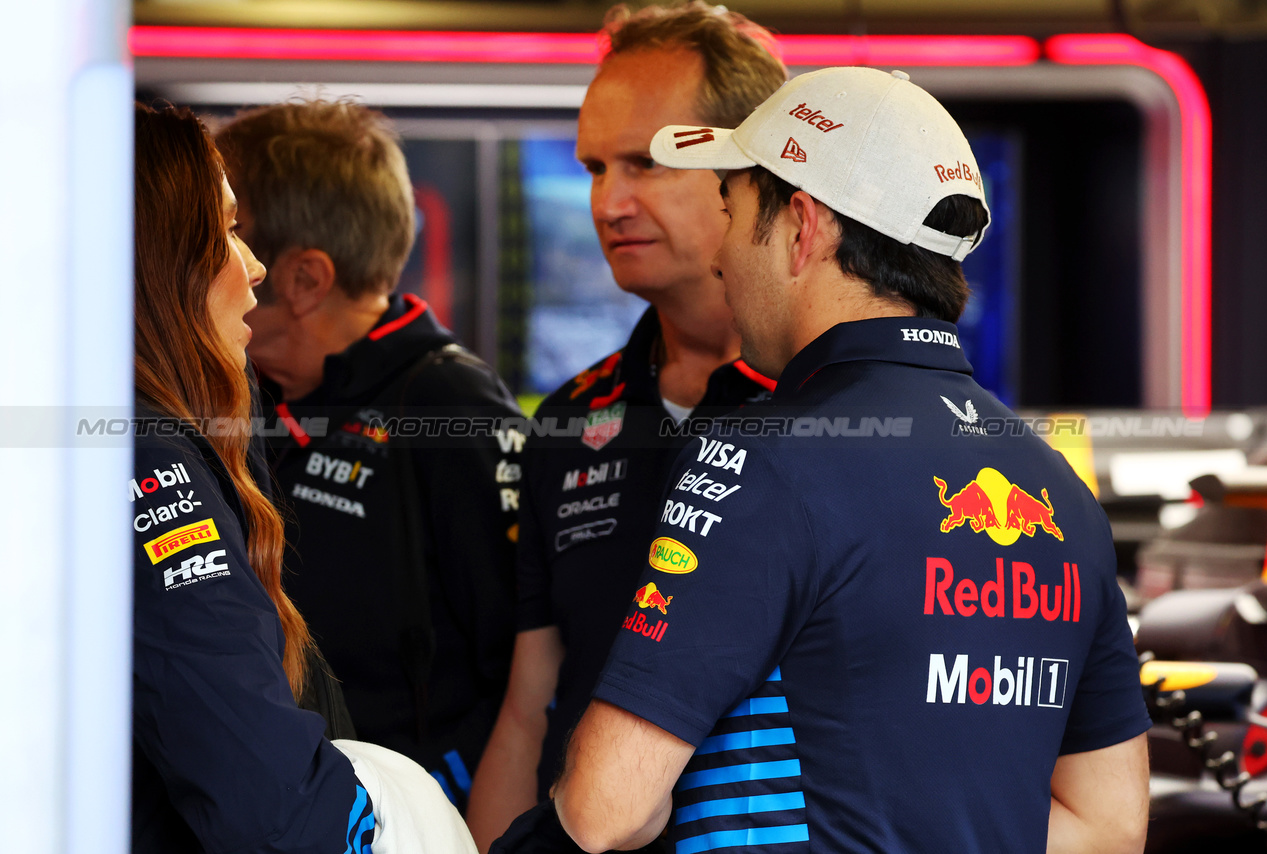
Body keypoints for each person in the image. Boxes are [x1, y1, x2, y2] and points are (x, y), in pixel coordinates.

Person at [548, 67, 1152, 854]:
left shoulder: (755, 459)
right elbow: (1107, 828)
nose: (723, 259)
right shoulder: (1058, 490)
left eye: (731, 213)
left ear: (803, 227)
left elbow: (605, 810)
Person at [466, 4, 786, 849]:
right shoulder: (571, 422)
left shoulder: (844, 404)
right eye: (594, 168)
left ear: (750, 165)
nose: (610, 201)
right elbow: (531, 713)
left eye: (644, 162)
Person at [131, 102, 476, 854]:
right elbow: (275, 807)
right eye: (225, 229)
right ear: (160, 258)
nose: (249, 265)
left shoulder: (446, 403)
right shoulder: (150, 455)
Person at [214, 100, 523, 809]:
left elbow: (523, 675)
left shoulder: (450, 406)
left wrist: (425, 808)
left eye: (229, 236)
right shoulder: (240, 395)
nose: (219, 263)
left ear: (304, 280)